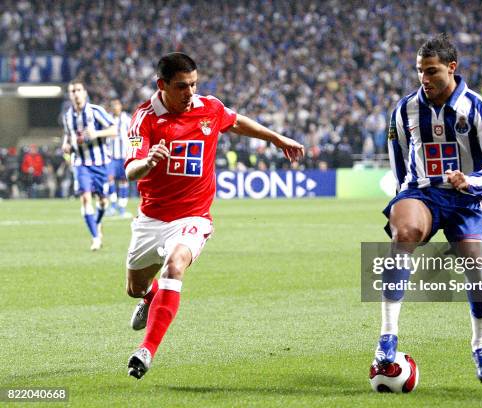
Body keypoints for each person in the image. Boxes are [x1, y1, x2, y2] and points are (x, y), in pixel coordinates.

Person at [124, 53, 304, 379]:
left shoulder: (209, 108)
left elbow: (236, 122)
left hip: (193, 216)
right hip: (152, 218)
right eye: (181, 86)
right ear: (161, 85)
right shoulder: (144, 118)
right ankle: (150, 297)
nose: (190, 92)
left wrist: (276, 138)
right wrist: (147, 162)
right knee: (135, 288)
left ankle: (146, 350)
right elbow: (130, 171)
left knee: (176, 265)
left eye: (193, 84)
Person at [376, 34, 482, 382]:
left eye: (432, 71)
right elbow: (399, 163)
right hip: (425, 193)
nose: (424, 79)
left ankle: (481, 345)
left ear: (452, 68)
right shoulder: (405, 110)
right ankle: (387, 336)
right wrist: (406, 197)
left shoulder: (479, 110)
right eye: (420, 71)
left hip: (467, 199)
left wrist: (472, 182)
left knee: (474, 264)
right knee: (404, 233)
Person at [62, 80, 116, 250]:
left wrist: (97, 133)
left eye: (78, 90)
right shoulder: (68, 116)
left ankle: (97, 223)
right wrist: (66, 144)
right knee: (85, 198)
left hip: (100, 163)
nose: (76, 93)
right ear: (70, 95)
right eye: (72, 91)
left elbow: (114, 130)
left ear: (84, 92)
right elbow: (68, 134)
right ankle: (95, 238)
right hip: (80, 163)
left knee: (103, 202)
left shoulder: (96, 111)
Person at [106, 99, 133, 217]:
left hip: (124, 156)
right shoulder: (107, 119)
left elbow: (135, 136)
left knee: (123, 181)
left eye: (117, 105)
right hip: (111, 156)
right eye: (113, 105)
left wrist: (134, 151)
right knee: (109, 179)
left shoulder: (127, 119)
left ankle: (122, 207)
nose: (115, 107)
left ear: (121, 106)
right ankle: (112, 205)